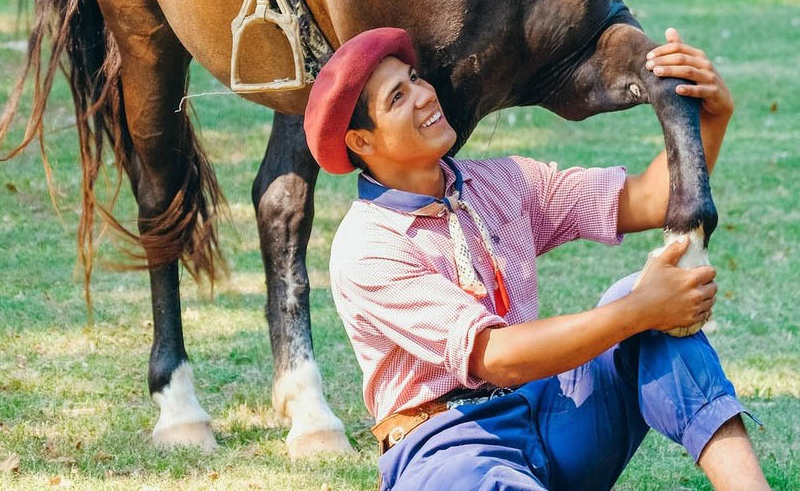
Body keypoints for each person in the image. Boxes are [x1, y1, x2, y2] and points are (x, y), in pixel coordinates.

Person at [304, 26, 769, 491]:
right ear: (361, 142)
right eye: (397, 97)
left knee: (644, 308)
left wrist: (711, 117)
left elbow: (647, 198)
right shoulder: (366, 246)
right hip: (446, 448)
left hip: (547, 415)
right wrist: (637, 310)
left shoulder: (501, 183)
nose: (425, 96)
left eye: (416, 78)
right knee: (638, 305)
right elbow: (494, 356)